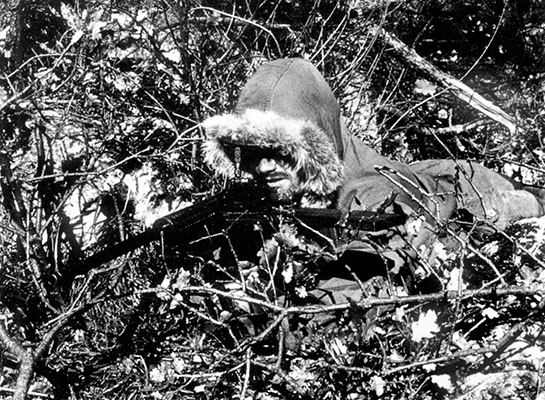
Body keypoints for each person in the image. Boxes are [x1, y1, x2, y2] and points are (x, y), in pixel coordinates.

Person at [201, 58, 545, 294]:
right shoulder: (291, 187)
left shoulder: (372, 198)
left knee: (514, 205)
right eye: (254, 153)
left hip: (463, 189)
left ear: (316, 145)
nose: (263, 167)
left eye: (279, 151)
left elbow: (349, 300)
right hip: (420, 174)